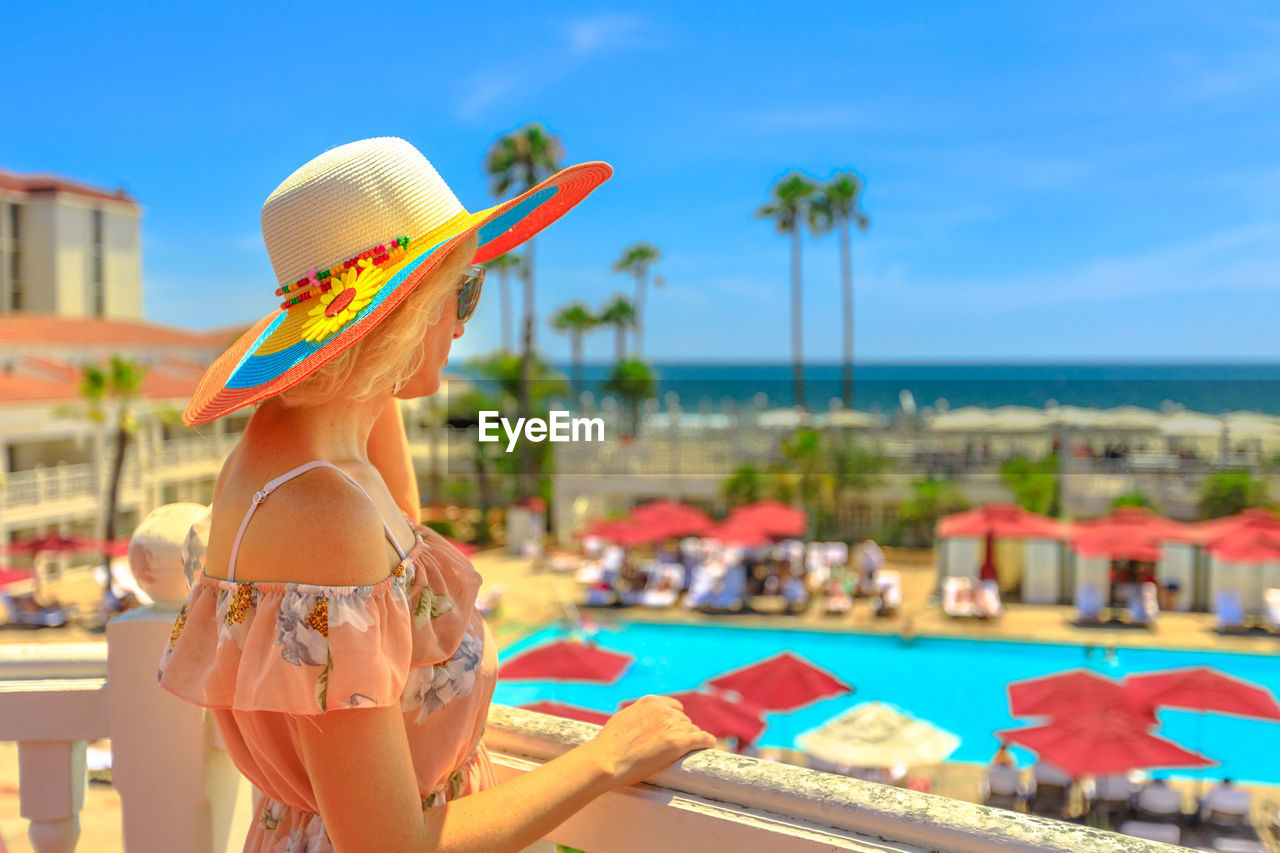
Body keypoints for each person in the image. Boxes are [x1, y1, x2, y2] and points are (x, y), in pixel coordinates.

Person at [156, 138, 715, 853]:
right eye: (463, 291)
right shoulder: (318, 510)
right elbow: (387, 845)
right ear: (403, 308)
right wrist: (608, 756)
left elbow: (400, 572)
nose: (461, 324)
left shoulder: (317, 446)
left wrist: (377, 349)